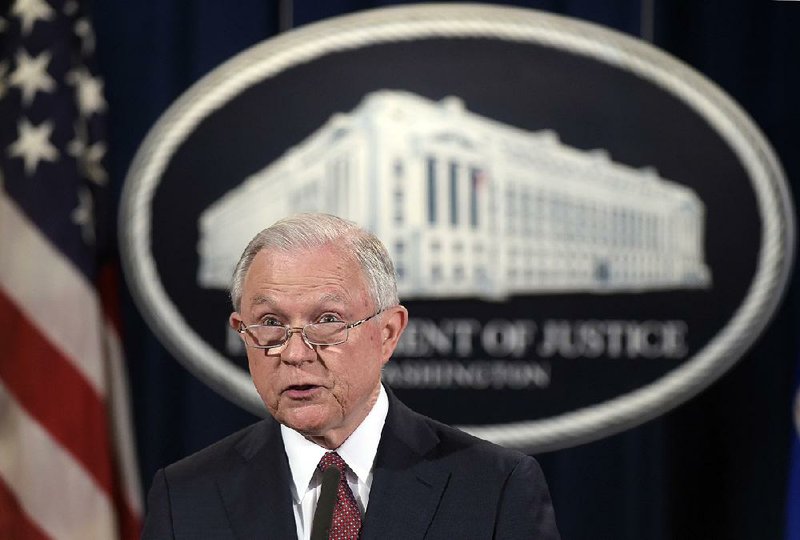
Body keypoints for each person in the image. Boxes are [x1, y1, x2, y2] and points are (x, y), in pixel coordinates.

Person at [142, 213, 560, 539]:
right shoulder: (186, 496)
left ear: (388, 333)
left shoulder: (494, 488)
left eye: (327, 320)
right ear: (241, 331)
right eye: (269, 322)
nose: (295, 353)